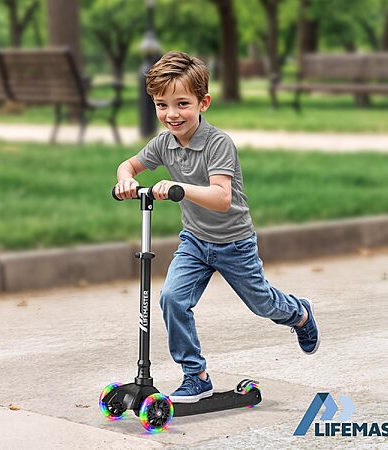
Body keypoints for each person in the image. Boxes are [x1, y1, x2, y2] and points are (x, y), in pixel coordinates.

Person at [115, 51, 320, 403]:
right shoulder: (164, 143)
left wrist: (178, 188)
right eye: (162, 105)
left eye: (182, 103)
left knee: (262, 304)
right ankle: (196, 376)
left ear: (203, 103)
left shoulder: (218, 143)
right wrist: (125, 180)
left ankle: (298, 313)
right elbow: (129, 165)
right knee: (172, 299)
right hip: (195, 242)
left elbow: (221, 198)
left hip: (234, 243)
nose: (171, 114)